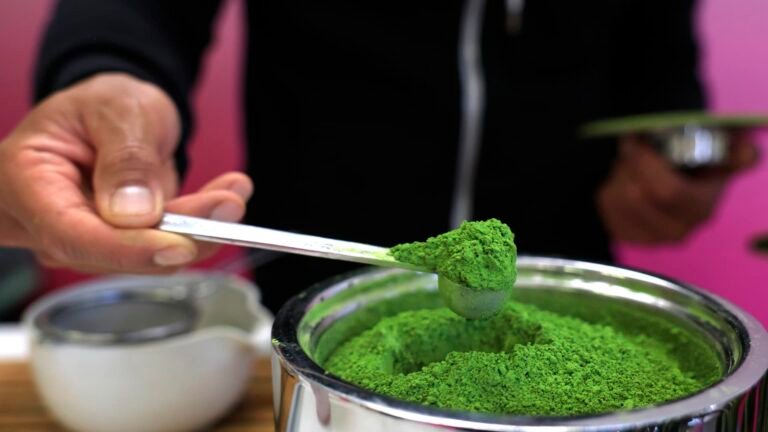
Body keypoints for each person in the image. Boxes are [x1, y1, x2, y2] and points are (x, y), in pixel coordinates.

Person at [0, 0, 757, 311]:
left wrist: (673, 167)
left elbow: (660, 65)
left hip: (556, 294)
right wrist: (107, 73)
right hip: (312, 294)